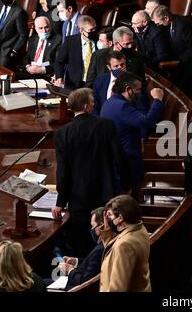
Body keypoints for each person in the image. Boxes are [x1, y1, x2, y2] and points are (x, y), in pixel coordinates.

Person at [52, 88, 132, 257]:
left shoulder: (62, 134)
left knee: (82, 248)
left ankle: (84, 279)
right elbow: (120, 159)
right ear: (87, 106)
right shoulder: (106, 125)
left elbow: (63, 171)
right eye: (93, 103)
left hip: (77, 199)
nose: (94, 105)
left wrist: (60, 201)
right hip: (105, 196)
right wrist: (126, 186)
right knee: (106, 244)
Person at [100, 72, 164, 197]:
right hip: (127, 162)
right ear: (128, 89)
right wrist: (158, 100)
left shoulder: (109, 103)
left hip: (117, 160)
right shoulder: (122, 106)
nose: (140, 92)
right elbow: (146, 121)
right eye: (138, 89)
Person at [152, 5, 192, 96]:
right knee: (171, 85)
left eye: (159, 23)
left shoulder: (184, 26)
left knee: (181, 90)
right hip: (185, 61)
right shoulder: (170, 24)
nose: (158, 25)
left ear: (166, 18)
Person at [99, 195, 151, 292]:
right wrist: (106, 228)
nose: (107, 217)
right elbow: (113, 251)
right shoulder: (140, 229)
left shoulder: (125, 245)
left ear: (120, 218)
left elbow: (118, 288)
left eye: (110, 214)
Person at [59, 207, 105, 290]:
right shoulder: (102, 244)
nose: (92, 229)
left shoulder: (100, 249)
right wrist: (75, 261)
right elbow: (92, 264)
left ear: (101, 226)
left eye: (93, 226)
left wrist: (69, 269)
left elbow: (85, 281)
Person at [54, 15, 98, 90]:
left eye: (94, 29)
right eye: (90, 30)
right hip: (74, 84)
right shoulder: (70, 41)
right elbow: (59, 62)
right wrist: (59, 77)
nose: (93, 32)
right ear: (81, 30)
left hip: (93, 84)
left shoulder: (98, 41)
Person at [92, 50, 126, 116]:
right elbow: (95, 106)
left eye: (122, 65)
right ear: (109, 67)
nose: (120, 68)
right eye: (116, 66)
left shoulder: (132, 81)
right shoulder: (99, 81)